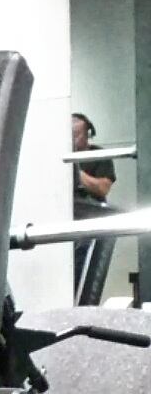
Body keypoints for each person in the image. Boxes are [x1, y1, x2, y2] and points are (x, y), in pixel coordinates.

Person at [71, 112, 118, 303]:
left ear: (88, 134)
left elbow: (103, 187)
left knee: (87, 274)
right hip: (68, 218)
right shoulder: (58, 157)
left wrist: (76, 173)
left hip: (91, 220)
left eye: (76, 135)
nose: (73, 140)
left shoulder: (99, 155)